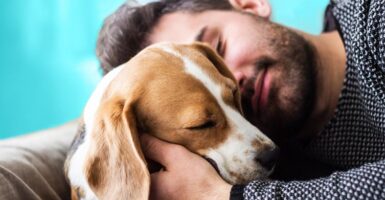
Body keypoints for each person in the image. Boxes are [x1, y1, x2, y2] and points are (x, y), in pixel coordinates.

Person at [96, 0, 385, 199]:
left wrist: (228, 197)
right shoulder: (273, 163)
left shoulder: (374, 19)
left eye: (215, 50)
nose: (231, 80)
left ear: (249, 3)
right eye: (200, 118)